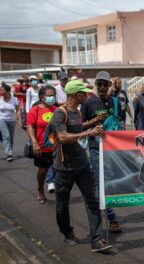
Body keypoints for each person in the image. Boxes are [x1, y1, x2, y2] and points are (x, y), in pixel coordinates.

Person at [50, 80, 112, 252]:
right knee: (62, 205)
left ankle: (97, 240)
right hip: (64, 168)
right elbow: (62, 137)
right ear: (75, 95)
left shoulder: (76, 112)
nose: (86, 95)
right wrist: (89, 132)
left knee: (92, 201)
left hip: (82, 164)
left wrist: (93, 122)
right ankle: (67, 232)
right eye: (84, 93)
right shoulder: (59, 113)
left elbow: (77, 127)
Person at [81, 71, 122, 233]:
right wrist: (94, 122)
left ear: (110, 85)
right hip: (96, 149)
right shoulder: (88, 102)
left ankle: (105, 213)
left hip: (112, 149)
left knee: (111, 182)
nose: (102, 87)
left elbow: (119, 124)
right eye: (99, 84)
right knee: (100, 183)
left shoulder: (115, 102)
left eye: (105, 84)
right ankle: (109, 218)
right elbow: (81, 125)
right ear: (95, 85)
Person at [26, 86, 57, 203]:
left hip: (56, 147)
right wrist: (34, 143)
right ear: (42, 97)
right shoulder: (35, 110)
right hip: (41, 147)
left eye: (54, 95)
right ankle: (40, 190)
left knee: (59, 172)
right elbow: (30, 127)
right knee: (43, 170)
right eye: (49, 95)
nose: (52, 97)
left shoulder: (57, 110)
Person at [0, 83, 22, 161]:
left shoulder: (14, 99)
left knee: (11, 137)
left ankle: (10, 152)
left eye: (2, 90)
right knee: (7, 137)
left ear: (8, 91)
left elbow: (18, 110)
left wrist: (19, 120)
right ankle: (9, 154)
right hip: (2, 120)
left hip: (12, 121)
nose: (1, 92)